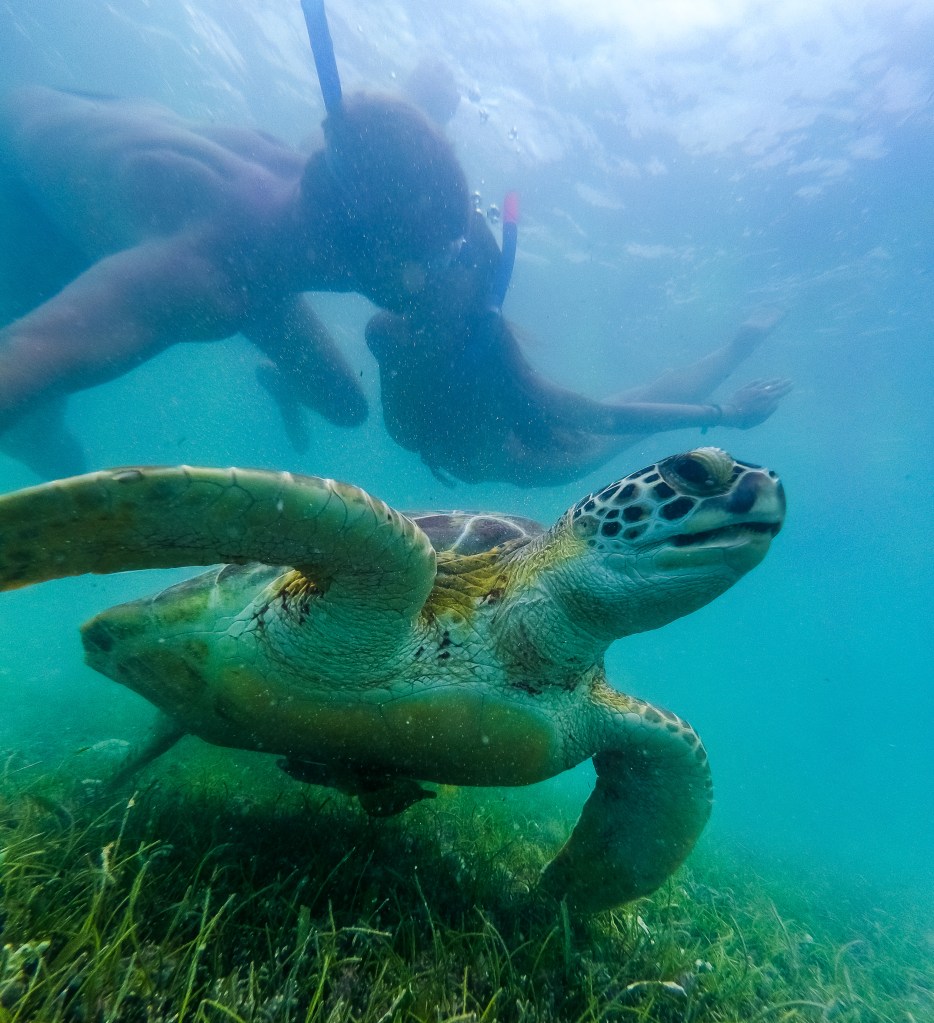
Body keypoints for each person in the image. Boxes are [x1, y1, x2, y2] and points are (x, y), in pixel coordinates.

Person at [0, 83, 471, 477]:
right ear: (350, 254)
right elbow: (23, 356)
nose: (427, 282)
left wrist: (426, 99)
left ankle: (282, 384)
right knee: (51, 449)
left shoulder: (318, 180)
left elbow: (379, 145)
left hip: (70, 111)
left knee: (346, 407)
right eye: (419, 264)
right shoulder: (204, 278)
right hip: (21, 195)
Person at [365, 207, 792, 486]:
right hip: (518, 451)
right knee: (643, 396)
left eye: (453, 260)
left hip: (545, 460)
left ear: (481, 281)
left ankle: (737, 348)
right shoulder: (385, 334)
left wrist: (728, 416)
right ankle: (737, 348)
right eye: (427, 256)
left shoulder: (478, 348)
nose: (431, 273)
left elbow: (605, 419)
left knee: (636, 402)